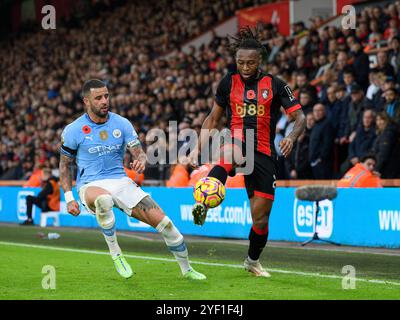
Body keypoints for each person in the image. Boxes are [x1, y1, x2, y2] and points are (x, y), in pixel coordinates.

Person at [59, 79, 206, 280]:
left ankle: (187, 269)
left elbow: (140, 154)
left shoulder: (122, 123)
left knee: (167, 225)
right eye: (98, 98)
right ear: (86, 101)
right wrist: (69, 198)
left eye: (106, 96)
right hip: (90, 185)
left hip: (121, 182)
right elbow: (64, 165)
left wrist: (141, 161)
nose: (104, 101)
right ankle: (116, 254)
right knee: (104, 200)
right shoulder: (74, 130)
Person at [189, 27, 306, 277]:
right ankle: (205, 199)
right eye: (240, 62)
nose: (244, 67)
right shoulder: (227, 83)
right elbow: (213, 118)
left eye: (250, 63)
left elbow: (300, 117)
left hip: (264, 153)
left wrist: (292, 137)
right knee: (231, 150)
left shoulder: (275, 84)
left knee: (260, 219)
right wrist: (196, 149)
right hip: (237, 140)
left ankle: (252, 261)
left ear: (259, 61)